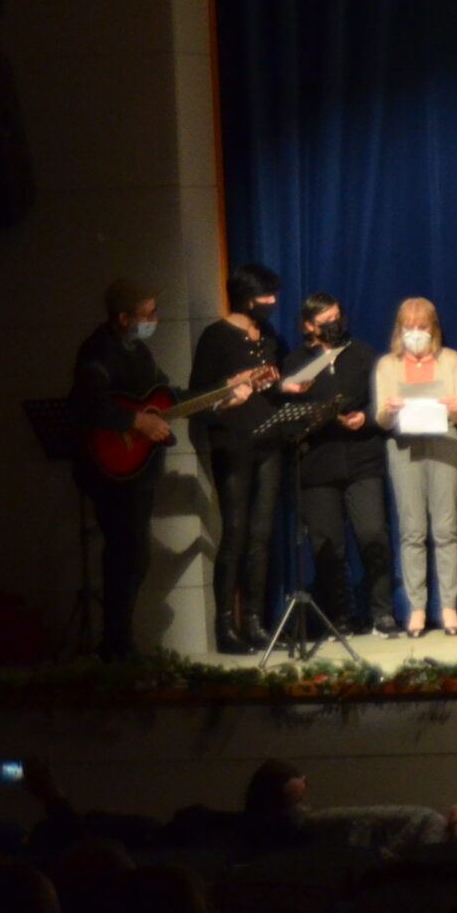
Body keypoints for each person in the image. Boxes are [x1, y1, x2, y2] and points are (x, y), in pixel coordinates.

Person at [69, 278, 198, 658]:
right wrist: (136, 421)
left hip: (139, 471)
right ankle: (116, 644)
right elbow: (88, 404)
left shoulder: (139, 351)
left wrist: (222, 393)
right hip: (109, 472)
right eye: (147, 314)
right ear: (123, 318)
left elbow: (165, 396)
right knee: (127, 553)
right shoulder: (98, 351)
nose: (154, 319)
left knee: (133, 554)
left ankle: (119, 641)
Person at [285, 292, 393, 634]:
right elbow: (288, 416)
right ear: (308, 326)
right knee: (327, 543)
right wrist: (314, 414)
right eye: (325, 321)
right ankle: (339, 616)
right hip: (317, 465)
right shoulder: (295, 362)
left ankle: (381, 612)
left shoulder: (360, 352)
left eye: (336, 318)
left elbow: (380, 401)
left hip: (362, 458)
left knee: (372, 533)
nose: (334, 325)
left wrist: (366, 418)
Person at [192, 262, 287, 651]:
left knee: (261, 536)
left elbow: (273, 386)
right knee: (235, 532)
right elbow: (197, 396)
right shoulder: (216, 336)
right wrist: (226, 392)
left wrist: (287, 385)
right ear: (248, 298)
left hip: (269, 442)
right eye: (266, 295)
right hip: (232, 445)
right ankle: (224, 626)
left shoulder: (269, 336)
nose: (272, 302)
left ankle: (254, 620)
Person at [373, 298, 457, 636]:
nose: (415, 333)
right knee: (412, 531)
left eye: (422, 327)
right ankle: (417, 608)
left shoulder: (451, 359)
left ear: (433, 329)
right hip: (405, 448)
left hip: (445, 443)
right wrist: (389, 409)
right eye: (409, 327)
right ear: (399, 329)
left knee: (446, 530)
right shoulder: (388, 365)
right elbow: (382, 420)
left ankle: (449, 608)